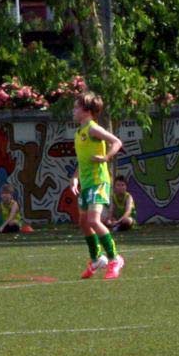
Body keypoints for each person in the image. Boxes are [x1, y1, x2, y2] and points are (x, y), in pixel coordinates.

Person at [71, 92, 125, 279]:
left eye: (76, 107)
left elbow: (116, 142)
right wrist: (75, 177)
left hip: (98, 181)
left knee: (94, 220)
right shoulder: (79, 132)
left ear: (87, 111)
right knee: (83, 223)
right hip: (86, 183)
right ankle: (96, 260)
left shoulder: (93, 129)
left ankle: (114, 258)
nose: (74, 110)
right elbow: (83, 159)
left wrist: (106, 157)